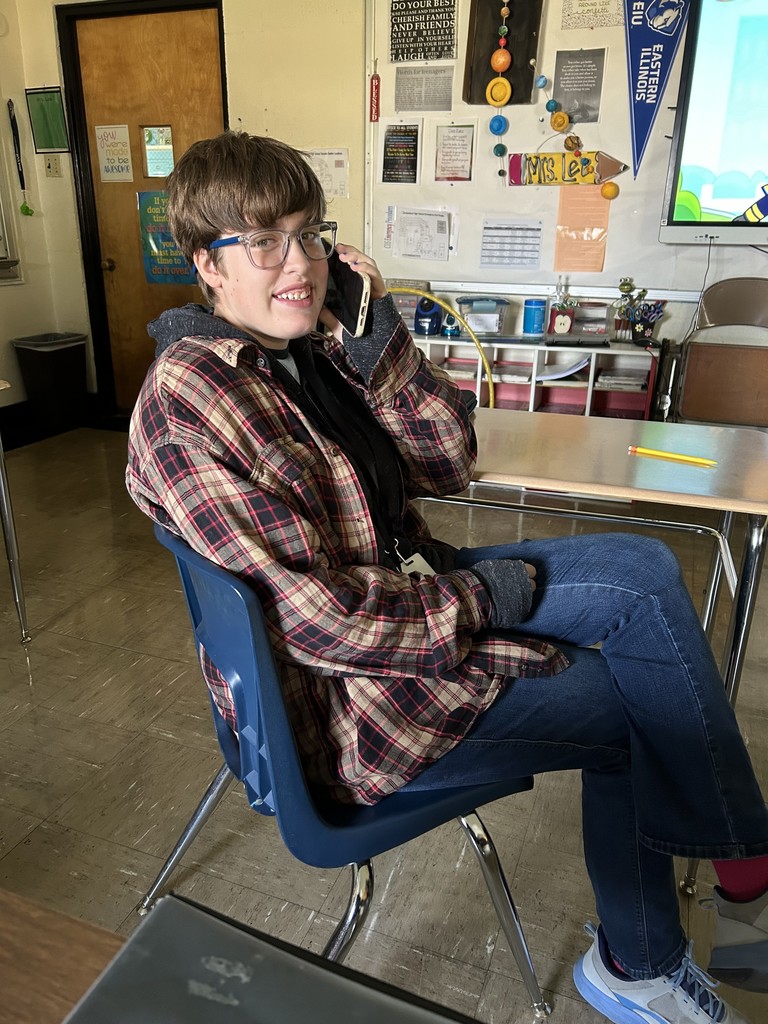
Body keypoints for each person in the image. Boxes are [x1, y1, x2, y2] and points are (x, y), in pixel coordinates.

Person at [126, 131, 768, 1024]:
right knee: (636, 707)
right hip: (365, 703)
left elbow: (449, 458)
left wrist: (376, 334)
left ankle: (735, 846)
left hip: (419, 597)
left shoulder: (310, 353)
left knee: (639, 569)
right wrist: (480, 601)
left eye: (310, 235)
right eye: (263, 241)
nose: (299, 263)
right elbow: (323, 625)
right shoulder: (191, 401)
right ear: (206, 264)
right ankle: (643, 962)